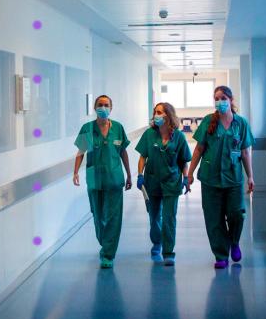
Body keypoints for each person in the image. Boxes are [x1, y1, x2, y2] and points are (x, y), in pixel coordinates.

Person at [187, 86, 255, 269]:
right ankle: (221, 255)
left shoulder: (241, 124)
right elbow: (199, 149)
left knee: (237, 214)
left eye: (223, 98)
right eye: (216, 98)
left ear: (231, 100)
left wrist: (250, 176)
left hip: (233, 179)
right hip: (211, 178)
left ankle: (234, 242)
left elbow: (245, 152)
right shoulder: (209, 121)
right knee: (213, 218)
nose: (219, 102)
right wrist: (190, 172)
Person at [73, 95, 132, 268]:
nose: (103, 107)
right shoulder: (87, 128)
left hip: (114, 180)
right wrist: (75, 171)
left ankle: (108, 254)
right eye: (100, 105)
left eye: (106, 105)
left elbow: (123, 152)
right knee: (98, 215)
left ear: (111, 108)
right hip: (94, 180)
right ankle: (105, 243)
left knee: (113, 218)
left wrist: (129, 174)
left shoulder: (118, 128)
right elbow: (80, 151)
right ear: (94, 107)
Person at [135, 102, 192, 266]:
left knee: (169, 218)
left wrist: (186, 178)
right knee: (154, 218)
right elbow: (142, 157)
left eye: (159, 112)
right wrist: (140, 175)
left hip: (172, 182)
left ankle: (168, 252)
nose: (156, 115)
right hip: (152, 181)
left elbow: (183, 161)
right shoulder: (149, 134)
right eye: (155, 112)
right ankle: (157, 243)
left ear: (168, 115)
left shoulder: (179, 137)